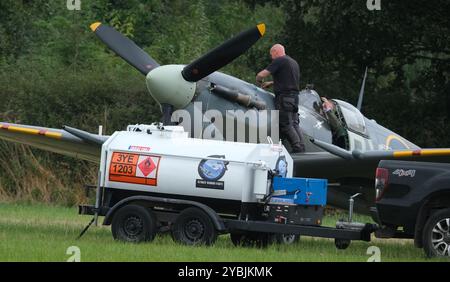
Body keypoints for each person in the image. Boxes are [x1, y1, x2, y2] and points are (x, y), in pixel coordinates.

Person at [256, 44, 305, 153]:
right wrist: (272, 83)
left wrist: (259, 82)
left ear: (276, 52)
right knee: (294, 123)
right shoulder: (293, 62)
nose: (271, 58)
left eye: (271, 54)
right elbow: (289, 80)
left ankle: (297, 148)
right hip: (295, 98)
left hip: (284, 98)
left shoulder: (279, 60)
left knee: (285, 124)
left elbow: (261, 75)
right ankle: (302, 147)